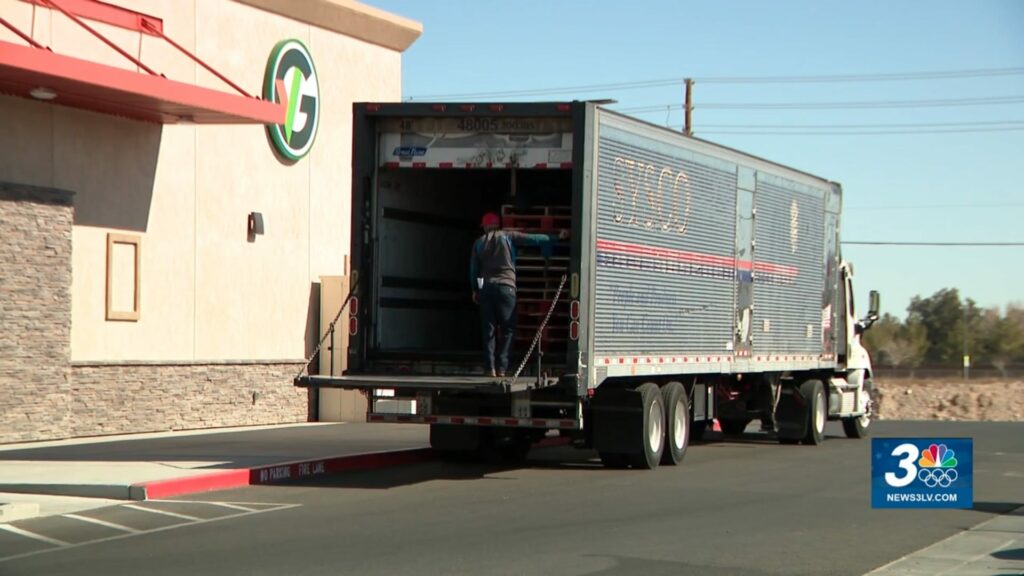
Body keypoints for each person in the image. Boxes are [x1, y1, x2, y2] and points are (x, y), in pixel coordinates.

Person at [470, 212, 568, 377]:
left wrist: (476, 289)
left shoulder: (478, 243)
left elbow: (474, 270)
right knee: (508, 329)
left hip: (486, 289)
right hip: (507, 289)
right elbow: (533, 239)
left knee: (489, 330)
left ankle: (490, 369)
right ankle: (502, 367)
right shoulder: (508, 236)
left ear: (485, 226)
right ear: (498, 224)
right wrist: (556, 237)